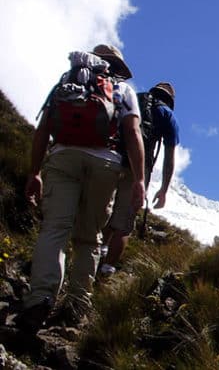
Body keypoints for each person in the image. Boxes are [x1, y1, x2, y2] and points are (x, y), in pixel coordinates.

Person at [17, 44, 145, 332]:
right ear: (117, 67)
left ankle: (40, 300)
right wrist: (138, 179)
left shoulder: (67, 81)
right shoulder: (122, 91)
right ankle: (77, 305)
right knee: (89, 237)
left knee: (55, 229)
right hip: (105, 164)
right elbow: (133, 133)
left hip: (63, 157)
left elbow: (43, 129)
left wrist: (34, 172)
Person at [100, 82, 179, 276]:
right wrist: (164, 190)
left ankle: (94, 254)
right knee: (124, 222)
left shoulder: (133, 98)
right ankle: (106, 270)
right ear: (170, 100)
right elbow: (169, 159)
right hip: (138, 167)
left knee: (104, 212)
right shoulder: (167, 115)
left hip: (112, 157)